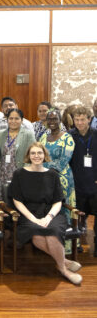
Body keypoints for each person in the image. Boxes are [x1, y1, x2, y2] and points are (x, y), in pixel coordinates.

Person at [8, 142, 82, 285]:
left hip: (51, 212)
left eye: (39, 153)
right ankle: (64, 264)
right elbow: (17, 201)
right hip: (28, 213)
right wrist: (34, 219)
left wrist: (49, 217)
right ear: (28, 156)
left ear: (45, 155)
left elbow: (58, 201)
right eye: (33, 153)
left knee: (52, 231)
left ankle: (62, 268)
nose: (37, 156)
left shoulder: (52, 174)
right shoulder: (19, 174)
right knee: (36, 233)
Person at [40, 109, 76, 252]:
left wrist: (43, 165)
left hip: (63, 180)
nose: (52, 122)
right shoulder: (43, 137)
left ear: (60, 120)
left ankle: (66, 247)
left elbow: (62, 162)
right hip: (44, 180)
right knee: (48, 211)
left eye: (55, 119)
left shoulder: (67, 138)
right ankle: (48, 245)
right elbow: (37, 155)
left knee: (63, 210)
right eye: (50, 119)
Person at [69, 106, 97, 256]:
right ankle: (76, 243)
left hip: (94, 181)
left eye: (82, 119)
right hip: (77, 181)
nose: (79, 123)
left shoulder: (96, 134)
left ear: (89, 119)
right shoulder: (69, 135)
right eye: (77, 119)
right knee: (78, 215)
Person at [0, 109, 36, 202]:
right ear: (7, 119)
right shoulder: (0, 134)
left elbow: (32, 155)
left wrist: (25, 172)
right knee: (3, 201)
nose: (13, 121)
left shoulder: (28, 134)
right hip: (3, 173)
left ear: (22, 120)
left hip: (19, 172)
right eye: (11, 118)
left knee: (18, 200)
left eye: (17, 118)